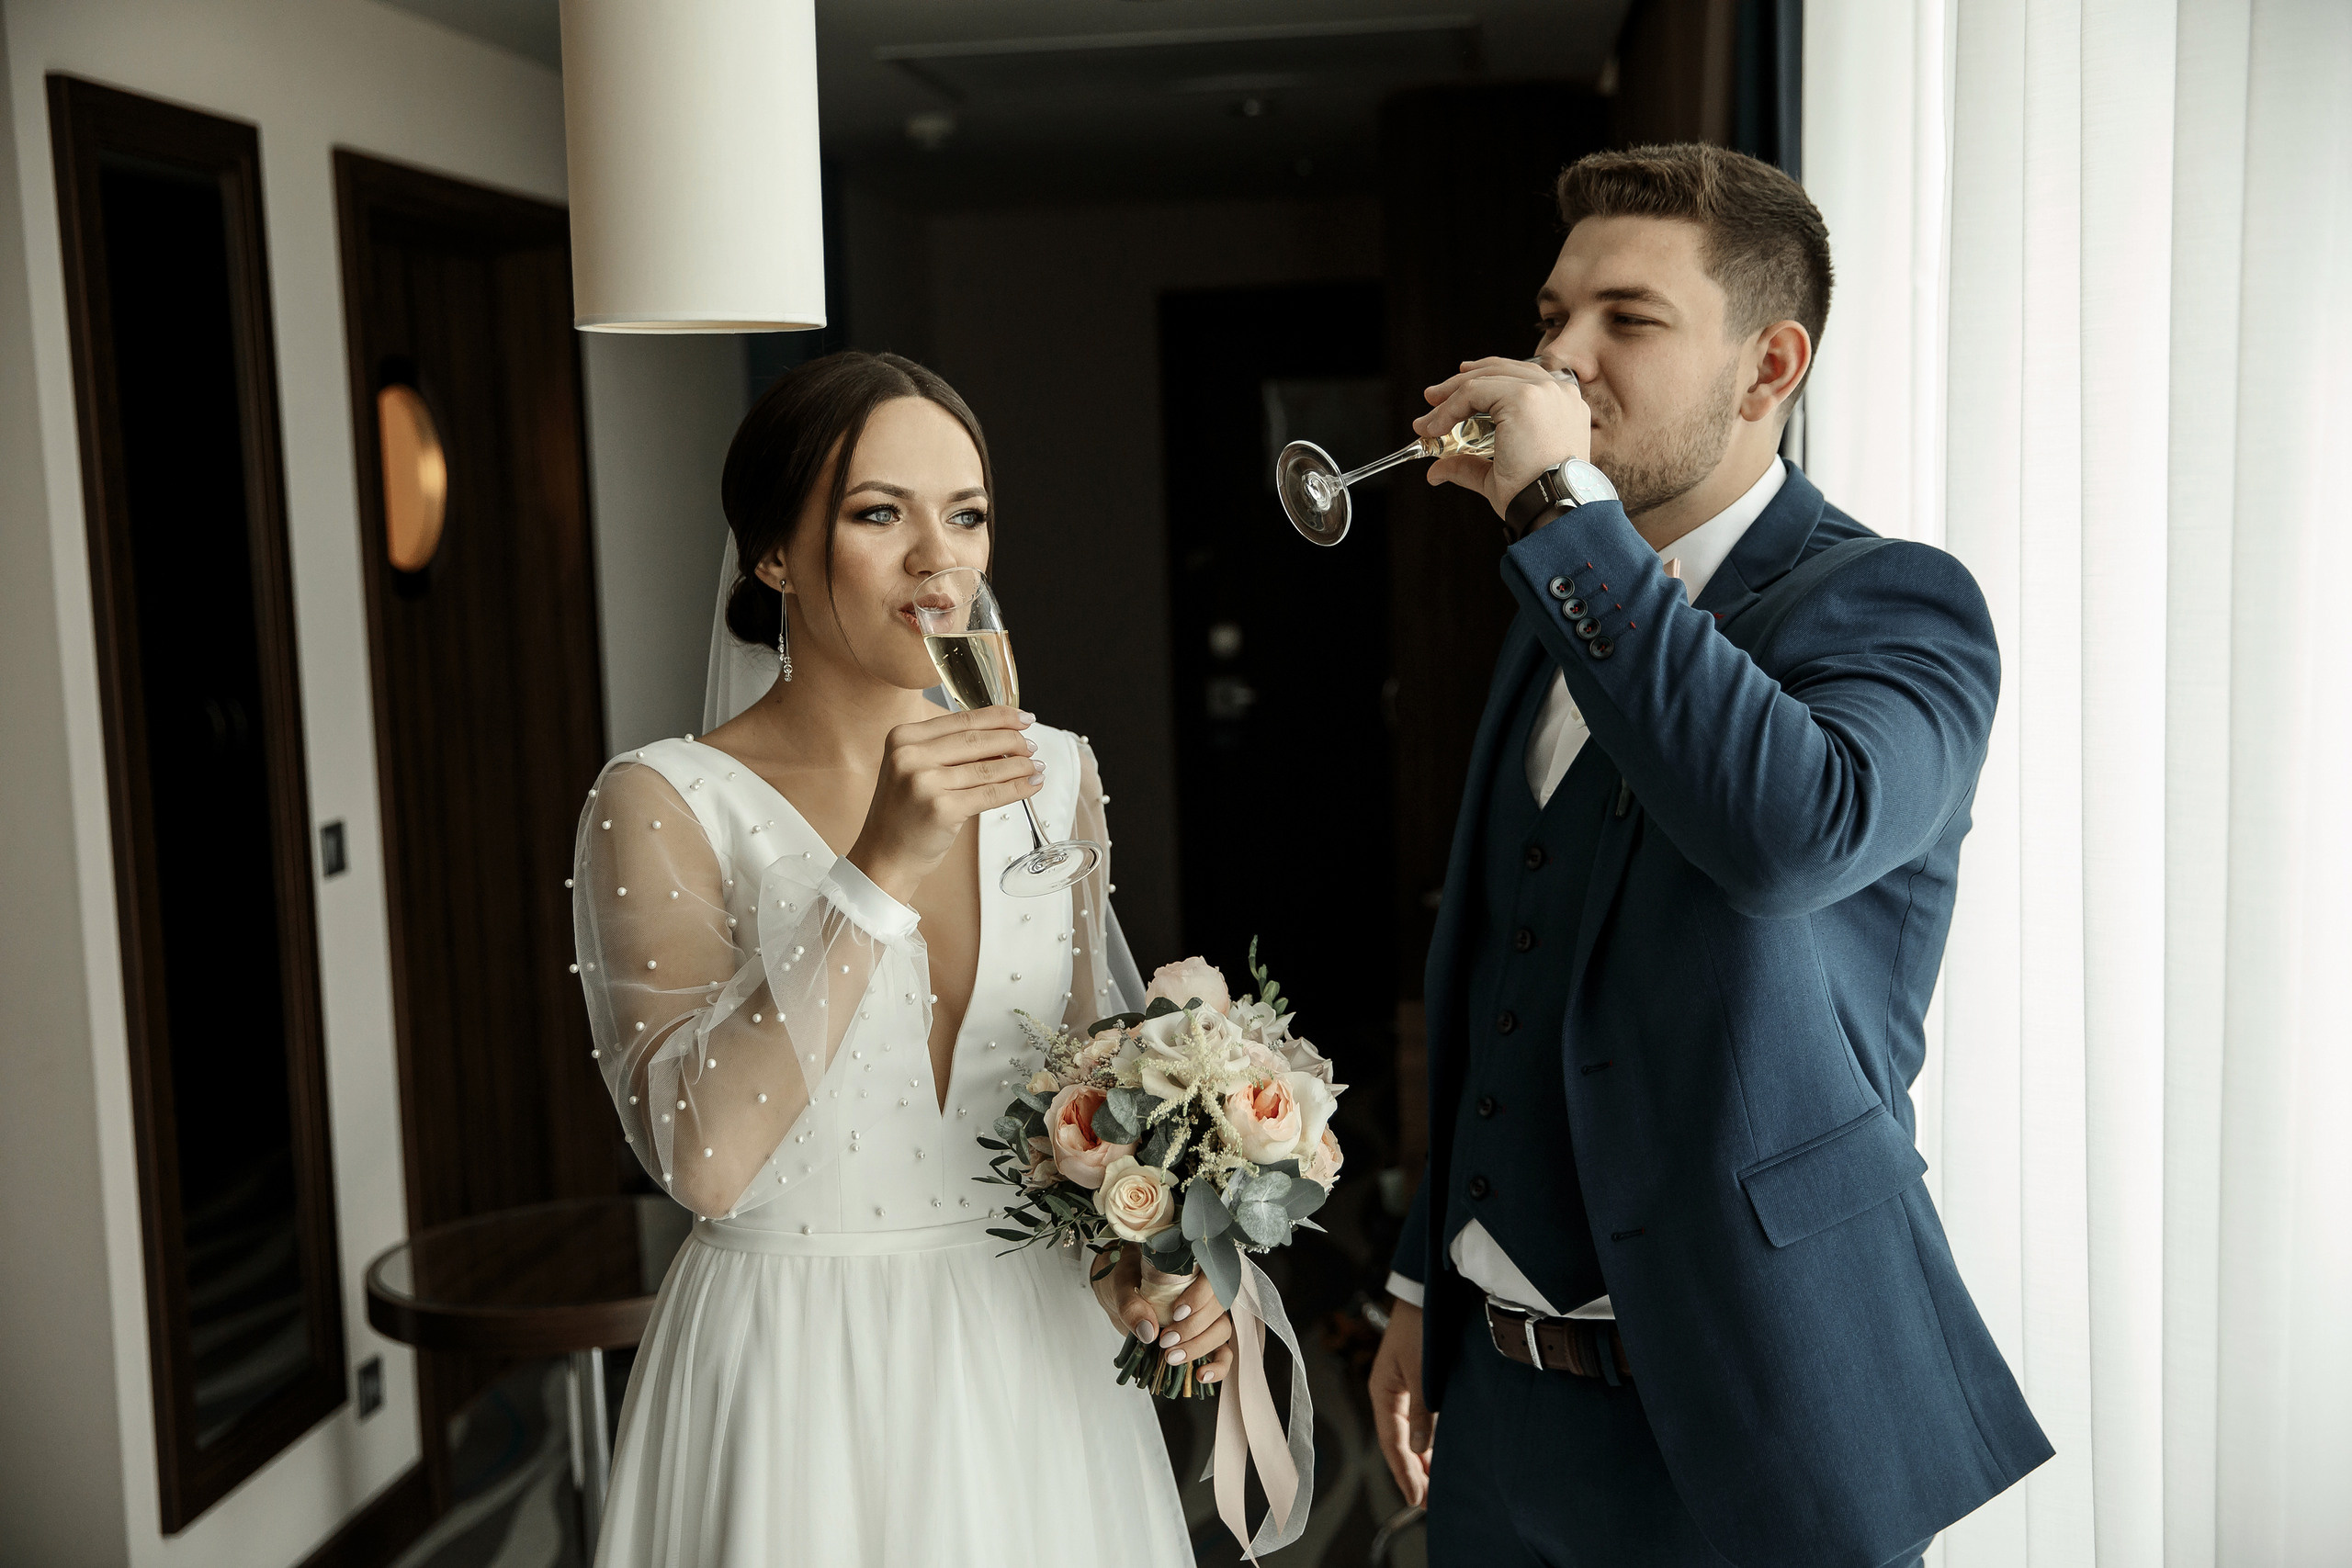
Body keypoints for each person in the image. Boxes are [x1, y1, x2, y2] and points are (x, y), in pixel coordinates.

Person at [1367, 144, 2052, 1567]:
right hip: (1496, 1418)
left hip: (1752, 1432)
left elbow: (1788, 834)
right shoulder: (1557, 603)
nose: (1562, 360)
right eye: (1554, 317)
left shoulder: (1895, 605)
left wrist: (1564, 520)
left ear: (1768, 367)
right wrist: (1425, 1284)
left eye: (1629, 319)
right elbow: (1508, 977)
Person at [571, 351, 1220, 1567]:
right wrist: (878, 867)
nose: (940, 562)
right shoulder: (661, 799)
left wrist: (1140, 1264)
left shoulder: (1056, 776)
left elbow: (1077, 1122)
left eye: (966, 517)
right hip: (794, 1376)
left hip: (1035, 1377)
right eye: (881, 515)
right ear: (774, 554)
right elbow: (702, 1162)